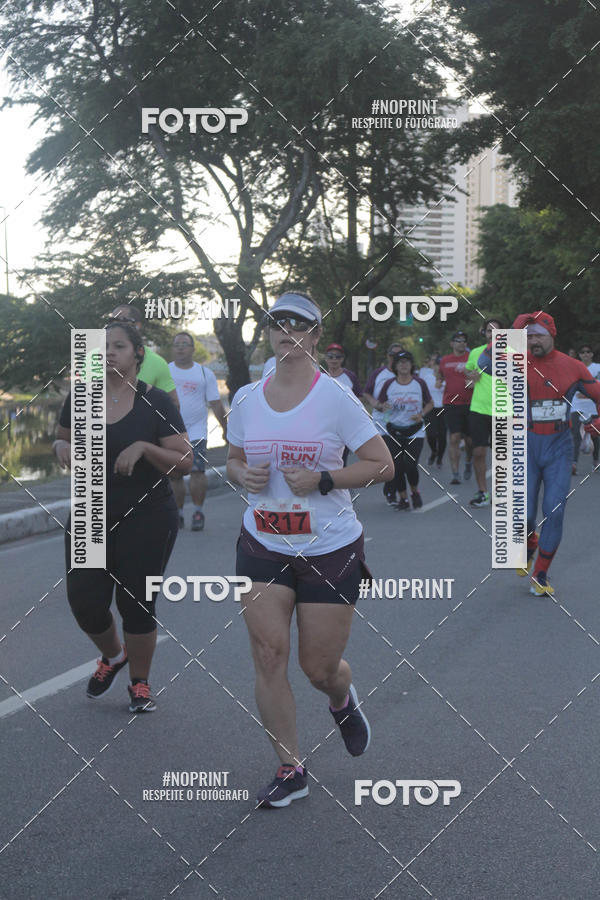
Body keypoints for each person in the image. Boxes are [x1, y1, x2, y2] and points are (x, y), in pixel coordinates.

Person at [226, 290, 393, 808]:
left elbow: (381, 464)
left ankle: (341, 698)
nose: (288, 333)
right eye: (279, 323)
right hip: (263, 541)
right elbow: (232, 461)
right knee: (269, 653)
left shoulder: (337, 399)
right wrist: (241, 474)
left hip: (329, 547)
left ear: (316, 336)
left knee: (318, 668)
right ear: (270, 332)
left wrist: (324, 479)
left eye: (300, 325)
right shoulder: (247, 398)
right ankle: (290, 767)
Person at [54, 322, 192, 712]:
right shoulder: (80, 395)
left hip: (147, 516)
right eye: (103, 347)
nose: (109, 353)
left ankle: (140, 683)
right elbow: (62, 435)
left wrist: (146, 447)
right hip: (90, 511)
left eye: (119, 346)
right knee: (84, 601)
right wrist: (61, 444)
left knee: (136, 604)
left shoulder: (157, 402)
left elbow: (185, 461)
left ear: (137, 355)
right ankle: (114, 655)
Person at [479, 311, 600, 595]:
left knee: (554, 511)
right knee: (524, 516)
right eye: (528, 335)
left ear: (552, 335)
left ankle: (541, 574)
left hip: (559, 447)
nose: (533, 340)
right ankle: (529, 541)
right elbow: (484, 364)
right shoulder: (516, 362)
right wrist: (508, 334)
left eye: (538, 335)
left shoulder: (573, 367)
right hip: (524, 448)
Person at [168, 332, 228, 531]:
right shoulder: (165, 371)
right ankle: (178, 514)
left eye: (185, 344)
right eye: (177, 344)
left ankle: (198, 511)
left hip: (196, 432)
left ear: (193, 349)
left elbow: (216, 404)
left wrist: (226, 429)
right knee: (175, 476)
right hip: (170, 433)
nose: (181, 347)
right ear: (172, 349)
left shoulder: (204, 374)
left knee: (197, 471)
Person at [377, 351, 433, 510]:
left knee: (410, 465)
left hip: (415, 431)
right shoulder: (389, 384)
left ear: (411, 365)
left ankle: (415, 492)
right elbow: (381, 405)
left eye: (407, 361)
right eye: (400, 362)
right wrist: (383, 407)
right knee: (397, 467)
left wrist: (421, 414)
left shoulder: (419, 383)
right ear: (395, 366)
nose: (403, 364)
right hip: (393, 431)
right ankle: (403, 498)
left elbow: (430, 403)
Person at [464, 318, 503, 507]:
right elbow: (468, 379)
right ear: (484, 333)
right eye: (489, 330)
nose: (492, 333)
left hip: (503, 409)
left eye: (496, 330)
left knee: (501, 454)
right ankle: (483, 492)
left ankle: (500, 492)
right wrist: (472, 378)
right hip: (478, 408)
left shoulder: (512, 354)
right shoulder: (476, 353)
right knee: (479, 452)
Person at [108, 305, 179, 408]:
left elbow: (174, 406)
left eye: (122, 321)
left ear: (138, 325)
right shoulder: (92, 358)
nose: (115, 326)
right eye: (112, 321)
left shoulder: (158, 363)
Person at [363, 341, 406, 504]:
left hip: (402, 421)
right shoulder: (379, 373)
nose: (396, 358)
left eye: (400, 355)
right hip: (382, 422)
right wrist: (376, 404)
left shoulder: (407, 374)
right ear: (388, 356)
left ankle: (394, 489)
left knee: (400, 459)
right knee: (390, 456)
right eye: (393, 355)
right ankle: (391, 491)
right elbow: (366, 392)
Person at [439, 331, 473, 484]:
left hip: (471, 403)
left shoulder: (472, 358)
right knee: (454, 438)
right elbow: (439, 376)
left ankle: (468, 462)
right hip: (451, 404)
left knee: (470, 440)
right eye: (458, 340)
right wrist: (438, 382)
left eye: (464, 341)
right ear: (452, 343)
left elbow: (479, 375)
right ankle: (455, 473)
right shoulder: (445, 360)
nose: (461, 343)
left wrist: (474, 381)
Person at [570, 344, 600, 474]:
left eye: (588, 351)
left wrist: (586, 393)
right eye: (582, 352)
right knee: (576, 435)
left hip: (594, 407)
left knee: (595, 436)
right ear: (579, 355)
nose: (585, 354)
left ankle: (595, 461)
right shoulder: (574, 368)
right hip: (576, 407)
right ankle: (574, 463)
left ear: (592, 354)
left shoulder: (597, 368)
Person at [418, 353, 446, 467]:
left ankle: (440, 458)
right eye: (436, 364)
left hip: (444, 408)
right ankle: (434, 451)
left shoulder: (447, 378)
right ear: (432, 365)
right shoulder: (426, 377)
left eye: (440, 364)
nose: (438, 367)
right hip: (430, 408)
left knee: (442, 435)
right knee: (431, 434)